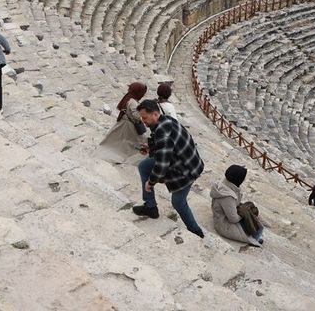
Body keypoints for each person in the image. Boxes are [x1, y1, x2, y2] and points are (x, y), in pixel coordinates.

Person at [132, 99, 205, 238]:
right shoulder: (166, 120)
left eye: (145, 118)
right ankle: (150, 207)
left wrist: (151, 182)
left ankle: (196, 231)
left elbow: (162, 165)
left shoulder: (162, 132)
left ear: (155, 114)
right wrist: (150, 148)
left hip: (186, 171)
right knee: (144, 166)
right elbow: (165, 147)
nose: (143, 121)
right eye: (142, 118)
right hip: (187, 161)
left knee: (178, 203)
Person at [96, 82, 149, 164]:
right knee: (133, 143)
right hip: (129, 126)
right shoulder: (133, 102)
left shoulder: (129, 98)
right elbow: (136, 116)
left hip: (124, 123)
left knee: (118, 141)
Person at [211, 165, 263, 246]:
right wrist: (243, 214)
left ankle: (256, 232)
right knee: (248, 215)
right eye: (243, 178)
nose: (244, 180)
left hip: (226, 214)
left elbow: (236, 203)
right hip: (223, 223)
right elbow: (233, 219)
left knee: (250, 208)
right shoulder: (228, 196)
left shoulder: (227, 184)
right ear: (238, 180)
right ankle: (256, 237)